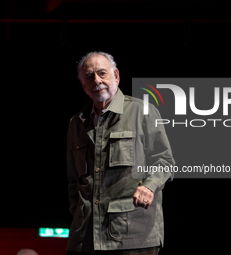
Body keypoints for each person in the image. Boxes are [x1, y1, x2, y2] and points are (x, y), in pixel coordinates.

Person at [66, 51, 175, 255]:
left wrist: (149, 187)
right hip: (85, 238)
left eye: (102, 73)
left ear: (116, 76)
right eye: (89, 76)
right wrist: (78, 214)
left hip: (132, 238)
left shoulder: (143, 111)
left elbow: (165, 161)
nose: (97, 80)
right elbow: (73, 180)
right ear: (83, 86)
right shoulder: (76, 123)